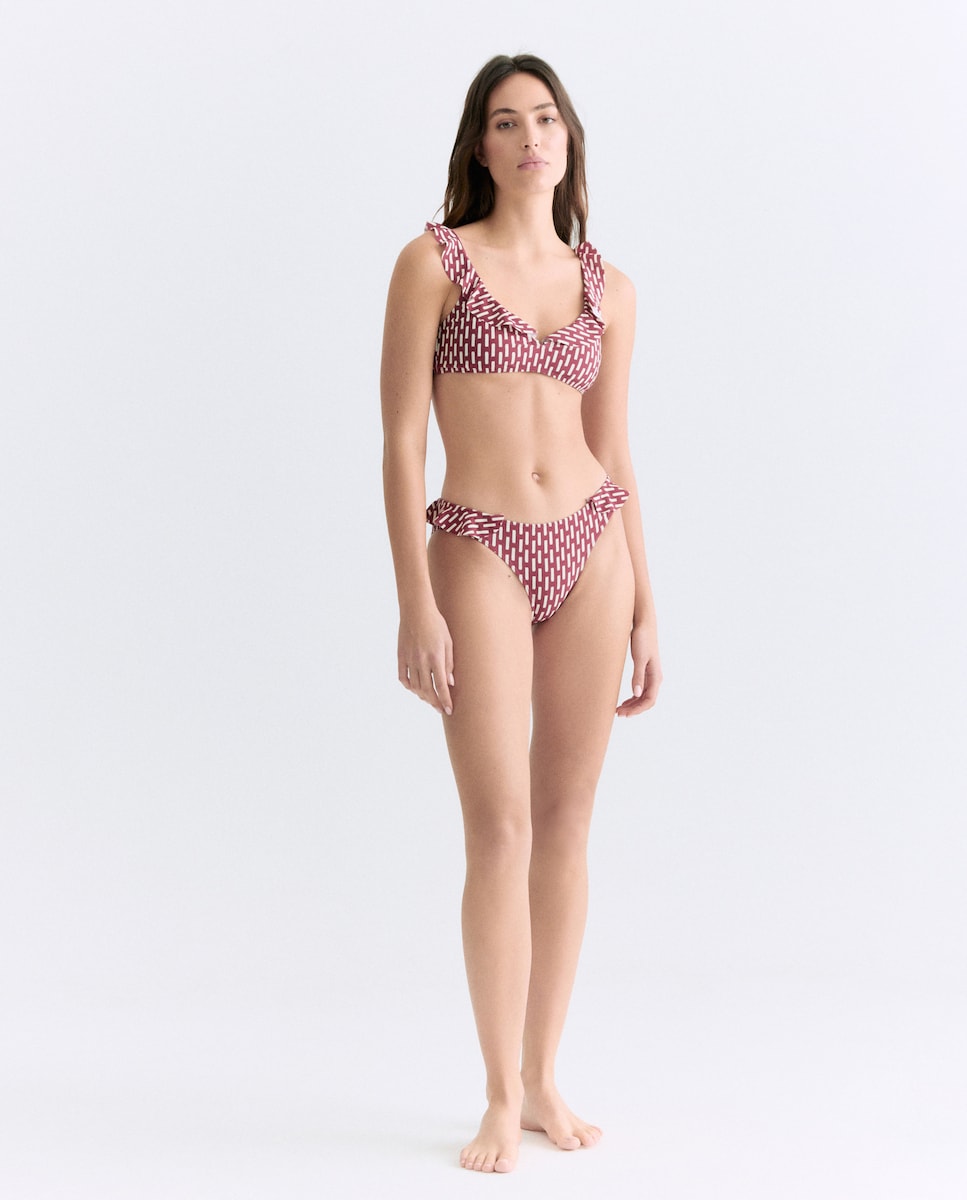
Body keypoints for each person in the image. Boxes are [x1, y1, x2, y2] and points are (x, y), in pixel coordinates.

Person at [380, 52, 662, 1175]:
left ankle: (545, 1077)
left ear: (567, 139)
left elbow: (616, 448)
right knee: (497, 826)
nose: (529, 136)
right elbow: (400, 442)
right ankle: (497, 1094)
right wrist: (413, 600)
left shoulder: (610, 287)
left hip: (592, 545)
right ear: (480, 147)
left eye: (545, 118)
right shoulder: (432, 263)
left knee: (567, 821)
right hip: (478, 545)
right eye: (506, 122)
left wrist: (647, 604)